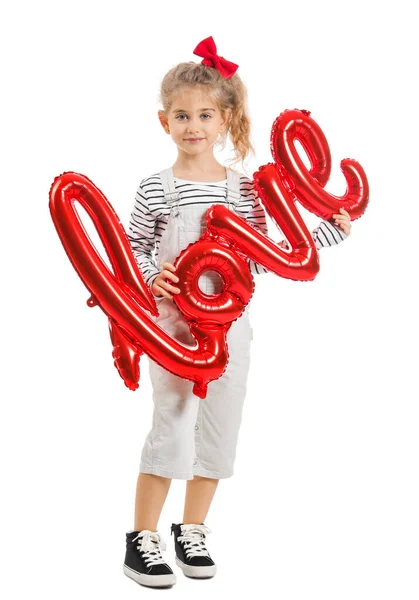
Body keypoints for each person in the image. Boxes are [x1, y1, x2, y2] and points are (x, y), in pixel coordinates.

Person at [123, 36, 352, 589]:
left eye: (204, 114)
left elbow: (265, 257)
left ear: (225, 119)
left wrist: (325, 233)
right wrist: (153, 274)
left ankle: (192, 529)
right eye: (181, 115)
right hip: (172, 326)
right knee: (172, 427)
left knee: (219, 429)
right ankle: (142, 539)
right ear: (163, 121)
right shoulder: (156, 188)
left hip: (231, 327)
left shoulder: (244, 191)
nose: (192, 125)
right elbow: (129, 247)